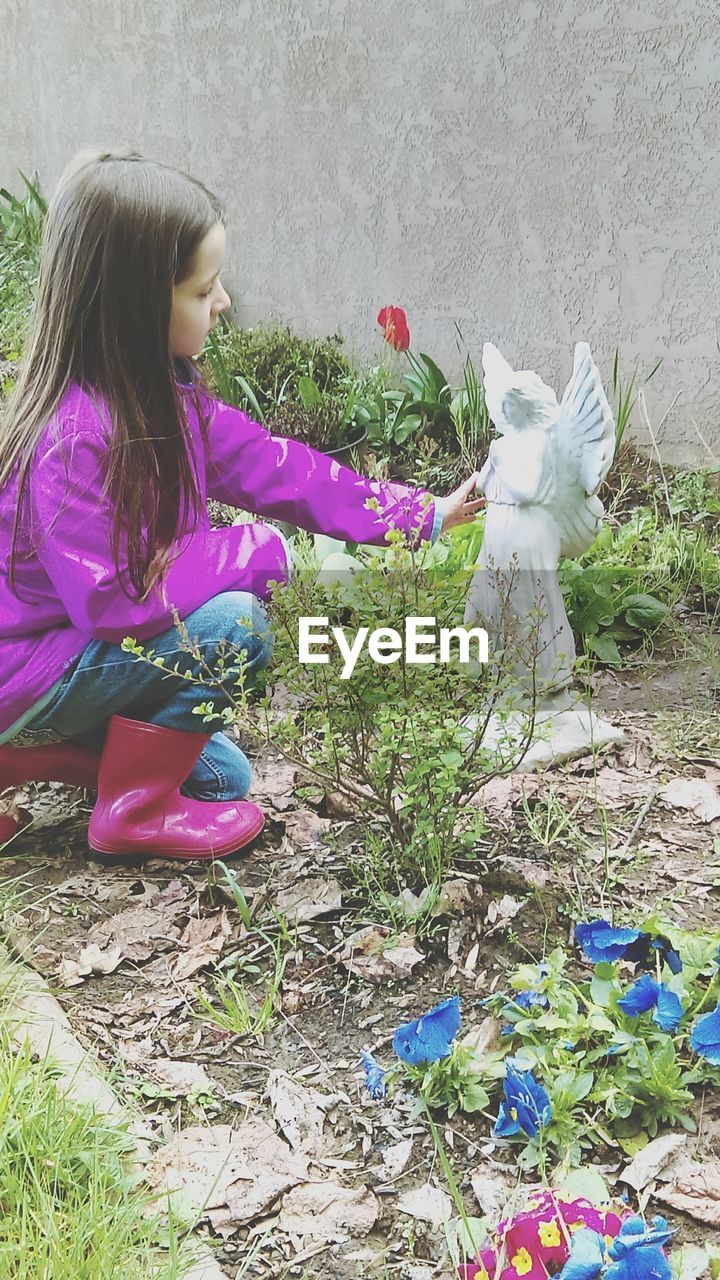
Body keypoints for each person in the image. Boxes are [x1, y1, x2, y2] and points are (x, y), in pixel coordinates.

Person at [0, 149, 483, 863]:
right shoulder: (73, 441)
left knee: (224, 777)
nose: (222, 302)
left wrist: (421, 516)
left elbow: (277, 467)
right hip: (27, 672)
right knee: (233, 627)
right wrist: (254, 552)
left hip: (69, 658)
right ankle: (128, 815)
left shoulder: (166, 396)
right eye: (203, 290)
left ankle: (42, 760)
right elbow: (113, 600)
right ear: (133, 308)